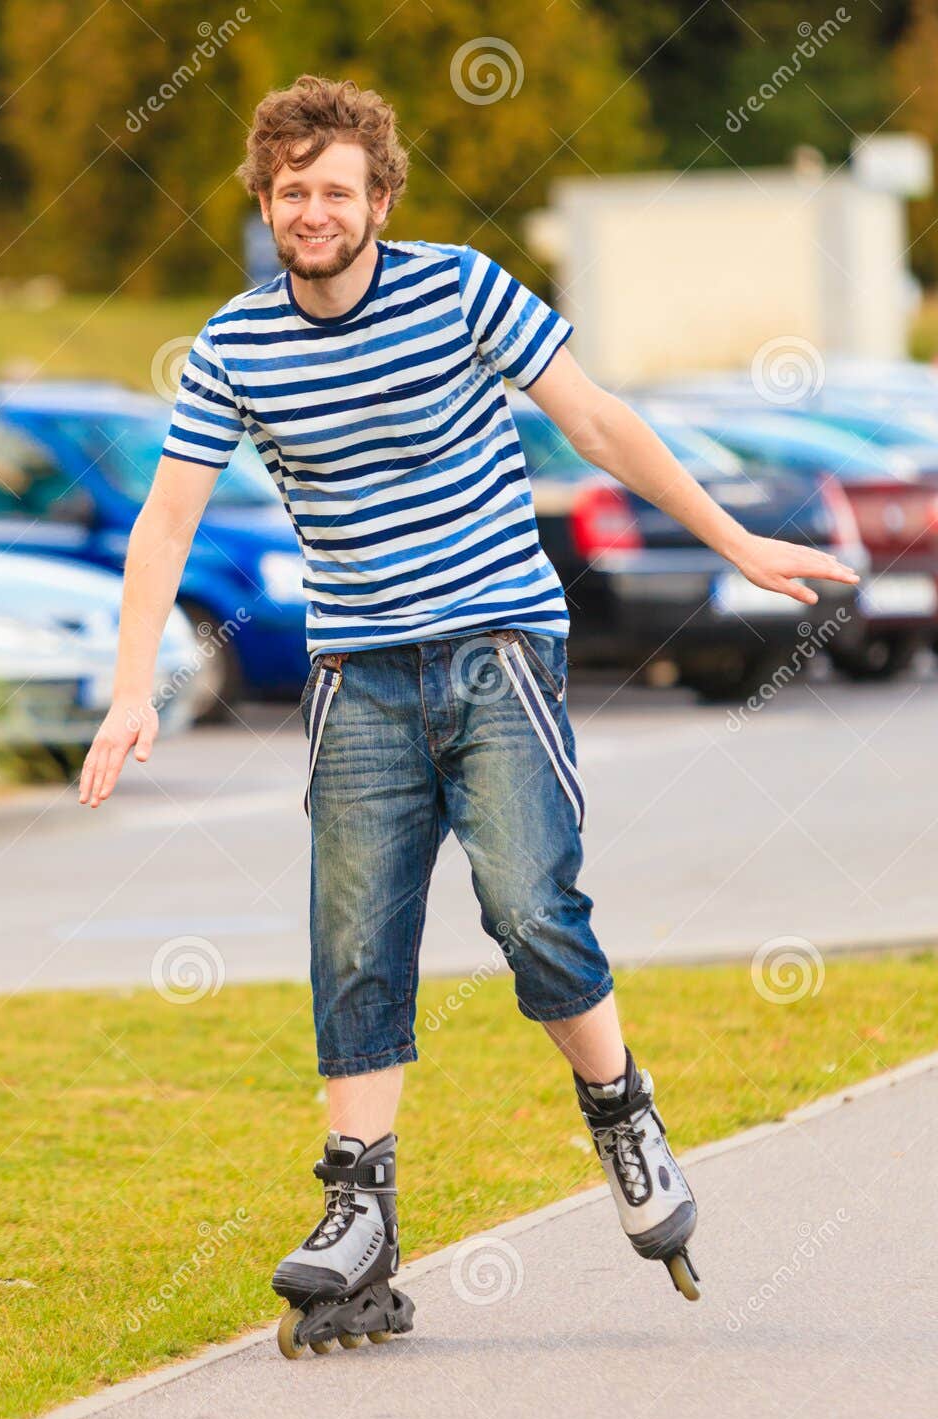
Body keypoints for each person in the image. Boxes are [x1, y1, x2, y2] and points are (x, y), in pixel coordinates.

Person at [78, 75, 859, 1347]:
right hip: (358, 675)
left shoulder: (463, 288)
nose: (314, 211)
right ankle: (360, 1209)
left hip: (498, 646)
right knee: (354, 942)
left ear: (379, 198)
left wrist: (736, 539)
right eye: (292, 192)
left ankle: (621, 1115)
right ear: (266, 204)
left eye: (337, 189)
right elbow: (166, 520)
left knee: (530, 906)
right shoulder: (234, 345)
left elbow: (597, 422)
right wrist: (131, 690)